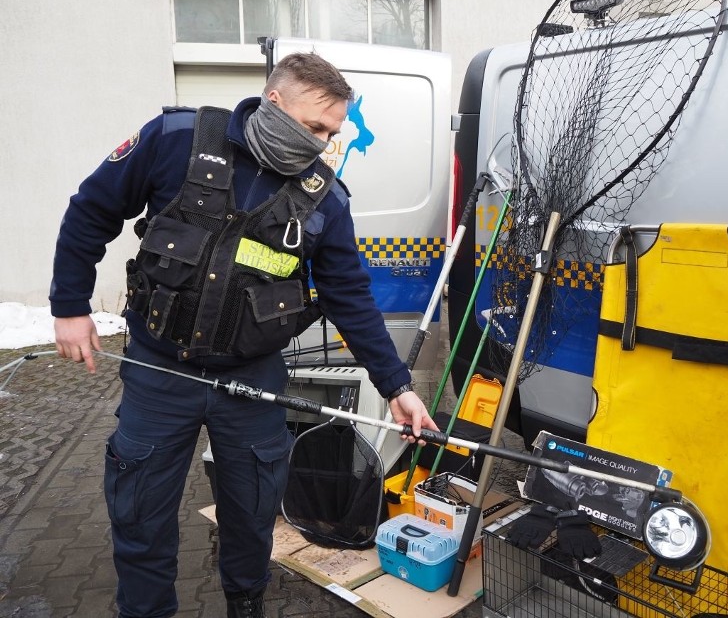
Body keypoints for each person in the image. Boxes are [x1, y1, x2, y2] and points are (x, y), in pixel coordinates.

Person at [50, 52, 438, 618]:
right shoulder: (175, 138)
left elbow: (349, 295)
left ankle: (246, 603)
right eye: (315, 126)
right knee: (139, 512)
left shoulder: (324, 198)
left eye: (333, 132)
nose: (323, 142)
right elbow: (91, 211)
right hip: (163, 371)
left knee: (253, 512)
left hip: (251, 380)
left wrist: (397, 385)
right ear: (274, 101)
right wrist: (69, 307)